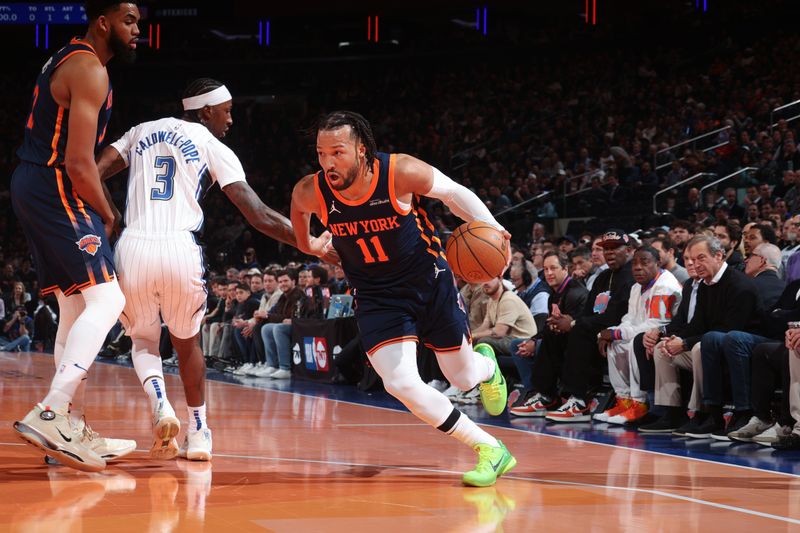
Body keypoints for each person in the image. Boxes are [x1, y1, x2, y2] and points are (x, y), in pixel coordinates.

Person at [95, 78, 329, 461]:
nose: (231, 119)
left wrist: (112, 216)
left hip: (132, 246)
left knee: (143, 340)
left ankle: (160, 405)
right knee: (188, 343)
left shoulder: (141, 131)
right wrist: (310, 244)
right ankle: (199, 429)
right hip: (179, 248)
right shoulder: (211, 145)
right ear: (206, 112)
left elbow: (93, 169)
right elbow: (258, 215)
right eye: (227, 111)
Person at [291, 110, 514, 487]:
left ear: (362, 150)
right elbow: (300, 221)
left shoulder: (400, 172)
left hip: (429, 281)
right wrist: (312, 246)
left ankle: (487, 367)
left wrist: (494, 230)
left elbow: (455, 194)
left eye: (338, 152)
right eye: (321, 153)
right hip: (377, 295)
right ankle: (490, 448)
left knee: (460, 378)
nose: (328, 162)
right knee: (399, 381)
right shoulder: (310, 191)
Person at [11, 1, 141, 472]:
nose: (137, 30)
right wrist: (109, 214)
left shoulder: (66, 56)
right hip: (53, 184)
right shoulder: (90, 69)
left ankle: (65, 426)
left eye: (139, 23)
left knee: (76, 304)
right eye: (129, 21)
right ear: (103, 21)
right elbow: (80, 163)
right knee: (107, 299)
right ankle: (52, 411)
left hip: (32, 182)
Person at [593, 246, 682, 425]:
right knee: (614, 343)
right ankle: (624, 400)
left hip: (665, 333)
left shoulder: (665, 285)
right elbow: (630, 319)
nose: (638, 267)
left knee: (635, 341)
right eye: (634, 263)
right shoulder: (636, 287)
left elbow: (656, 323)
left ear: (658, 263)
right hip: (643, 332)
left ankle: (640, 403)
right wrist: (613, 332)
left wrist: (617, 332)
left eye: (644, 262)